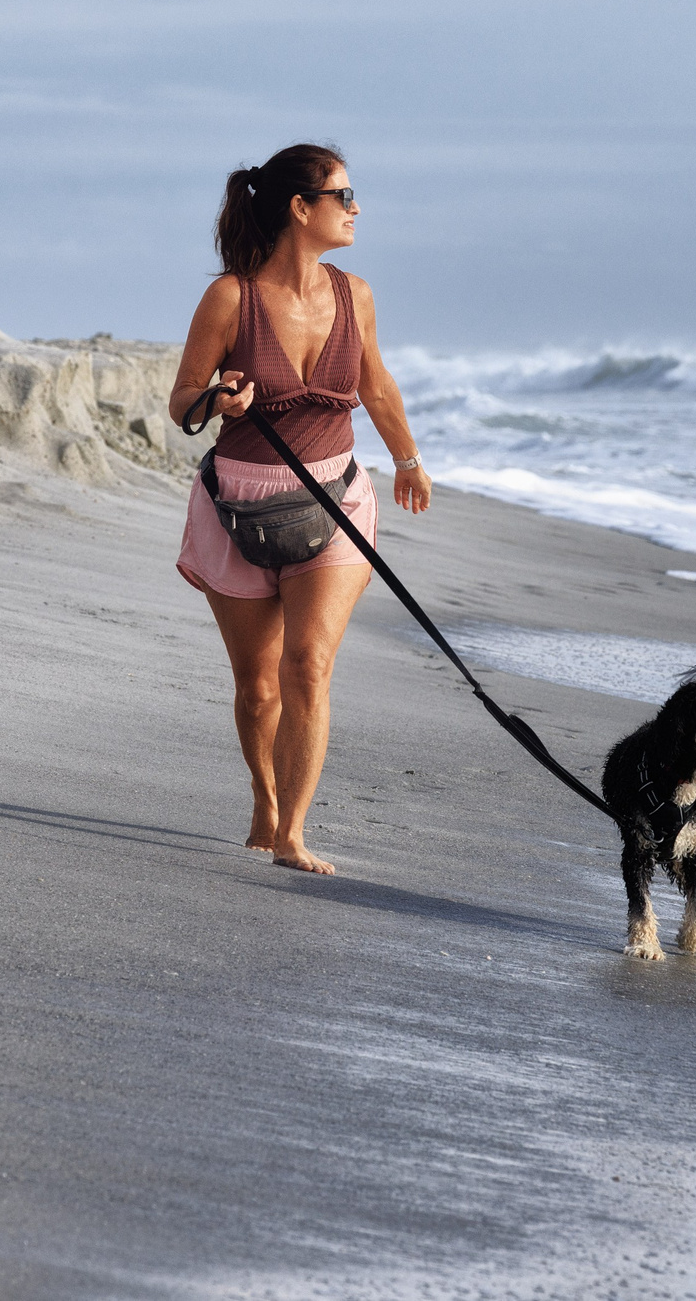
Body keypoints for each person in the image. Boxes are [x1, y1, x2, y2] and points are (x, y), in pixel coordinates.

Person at [170, 144, 431, 873]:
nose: (356, 209)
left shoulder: (357, 295)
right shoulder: (231, 297)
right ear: (300, 207)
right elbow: (182, 398)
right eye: (344, 196)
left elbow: (376, 387)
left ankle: (293, 834)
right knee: (257, 689)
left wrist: (408, 459)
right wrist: (220, 398)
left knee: (307, 666)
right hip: (238, 507)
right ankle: (265, 801)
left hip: (335, 496)